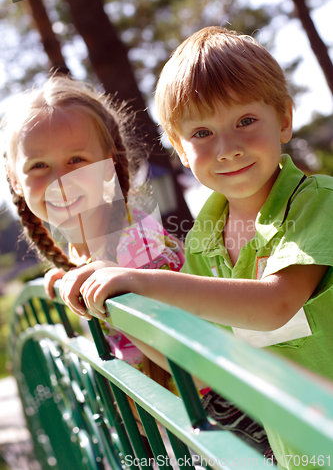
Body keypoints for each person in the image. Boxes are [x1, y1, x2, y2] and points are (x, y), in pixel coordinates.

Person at [59, 27, 333, 469]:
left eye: (245, 121)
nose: (227, 149)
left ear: (283, 119)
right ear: (180, 149)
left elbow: (275, 304)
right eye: (202, 133)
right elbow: (204, 362)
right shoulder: (207, 234)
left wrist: (142, 280)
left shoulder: (317, 202)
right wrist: (114, 301)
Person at [2, 74, 184, 369]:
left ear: (108, 165)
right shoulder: (84, 252)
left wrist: (104, 303)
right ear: (15, 181)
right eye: (39, 165)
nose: (61, 181)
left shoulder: (138, 248)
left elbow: (196, 373)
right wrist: (74, 276)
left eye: (76, 160)